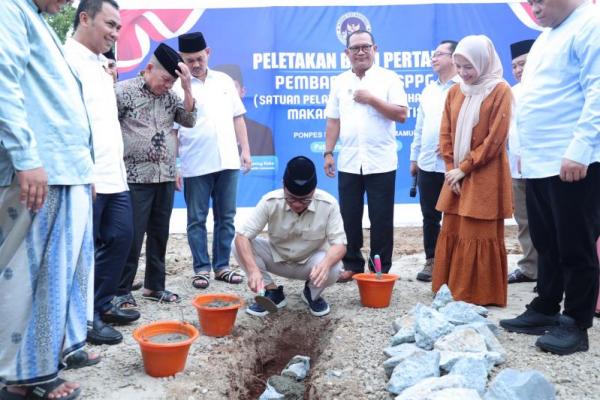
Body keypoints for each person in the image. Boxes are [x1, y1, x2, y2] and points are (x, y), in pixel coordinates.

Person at [0, 0, 96, 398]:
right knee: (30, 278)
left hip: (65, 171)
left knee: (56, 278)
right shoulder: (9, 9)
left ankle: (42, 364)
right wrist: (27, 157)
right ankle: (25, 378)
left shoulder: (37, 20)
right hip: (43, 172)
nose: (68, 3)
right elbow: (3, 81)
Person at [500, 0, 600, 356]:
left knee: (575, 243)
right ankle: (545, 306)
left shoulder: (591, 23)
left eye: (539, 1)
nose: (534, 7)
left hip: (572, 158)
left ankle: (575, 322)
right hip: (540, 162)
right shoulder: (546, 36)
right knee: (547, 241)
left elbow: (597, 92)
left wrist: (581, 148)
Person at [65, 0, 140, 346]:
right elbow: (69, 123)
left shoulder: (100, 64)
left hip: (115, 174)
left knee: (122, 240)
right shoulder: (67, 60)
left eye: (118, 27)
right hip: (88, 176)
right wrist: (85, 171)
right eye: (109, 24)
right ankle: (83, 321)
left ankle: (101, 305)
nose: (115, 33)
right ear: (85, 18)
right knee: (84, 252)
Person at [431, 35, 513, 307]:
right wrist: (450, 169)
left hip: (485, 174)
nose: (464, 73)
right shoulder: (455, 91)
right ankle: (450, 289)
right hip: (455, 176)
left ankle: (479, 294)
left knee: (478, 231)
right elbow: (446, 133)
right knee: (453, 227)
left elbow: (495, 140)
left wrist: (464, 169)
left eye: (469, 67)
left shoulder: (500, 90)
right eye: (459, 66)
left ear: (484, 61)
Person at [114, 42, 196, 308]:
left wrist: (186, 88)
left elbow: (189, 120)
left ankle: (154, 286)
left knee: (160, 233)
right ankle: (121, 290)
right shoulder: (123, 92)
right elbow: (104, 127)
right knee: (132, 236)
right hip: (135, 177)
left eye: (172, 82)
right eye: (165, 79)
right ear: (149, 69)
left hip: (165, 176)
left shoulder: (171, 97)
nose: (167, 85)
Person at [323, 30, 408, 281]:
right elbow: (333, 121)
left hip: (380, 161)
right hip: (349, 161)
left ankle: (380, 268)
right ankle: (352, 264)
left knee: (381, 218)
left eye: (365, 47)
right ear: (346, 53)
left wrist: (371, 99)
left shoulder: (389, 79)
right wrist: (328, 152)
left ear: (375, 49)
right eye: (355, 48)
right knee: (349, 216)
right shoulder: (339, 82)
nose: (360, 52)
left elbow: (401, 114)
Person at [175, 32, 251, 290]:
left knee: (226, 216)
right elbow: (174, 130)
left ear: (208, 52)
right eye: (189, 60)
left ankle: (222, 266)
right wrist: (174, 165)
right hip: (195, 163)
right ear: (181, 60)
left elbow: (238, 116)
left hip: (228, 160)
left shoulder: (225, 81)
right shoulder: (177, 87)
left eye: (199, 58)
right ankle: (201, 269)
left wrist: (246, 150)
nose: (195, 64)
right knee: (196, 218)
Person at [233, 156, 346, 317]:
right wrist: (252, 270)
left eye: (305, 200)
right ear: (283, 186)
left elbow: (340, 244)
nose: (298, 204)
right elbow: (242, 237)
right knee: (236, 244)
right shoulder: (270, 201)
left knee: (334, 266)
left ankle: (312, 293)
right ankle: (271, 292)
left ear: (314, 190)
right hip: (276, 258)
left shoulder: (328, 204)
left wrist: (326, 264)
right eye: (291, 198)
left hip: (310, 264)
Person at [409, 40, 459, 282]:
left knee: (456, 214)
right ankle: (432, 260)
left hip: (456, 166)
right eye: (433, 54)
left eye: (439, 54)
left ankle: (457, 261)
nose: (433, 58)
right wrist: (414, 157)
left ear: (454, 57)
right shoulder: (428, 91)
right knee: (430, 215)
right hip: (428, 163)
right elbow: (419, 128)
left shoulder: (465, 87)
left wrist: (453, 143)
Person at [506, 39, 539, 286]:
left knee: (548, 221)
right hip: (517, 168)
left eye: (523, 64)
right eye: (514, 66)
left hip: (544, 168)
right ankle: (530, 267)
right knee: (524, 220)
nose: (518, 70)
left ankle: (553, 270)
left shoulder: (547, 89)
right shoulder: (510, 93)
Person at [212, 63, 275, 156]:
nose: (227, 93)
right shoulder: (203, 131)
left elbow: (267, 169)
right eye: (221, 88)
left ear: (243, 92)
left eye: (233, 87)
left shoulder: (262, 134)